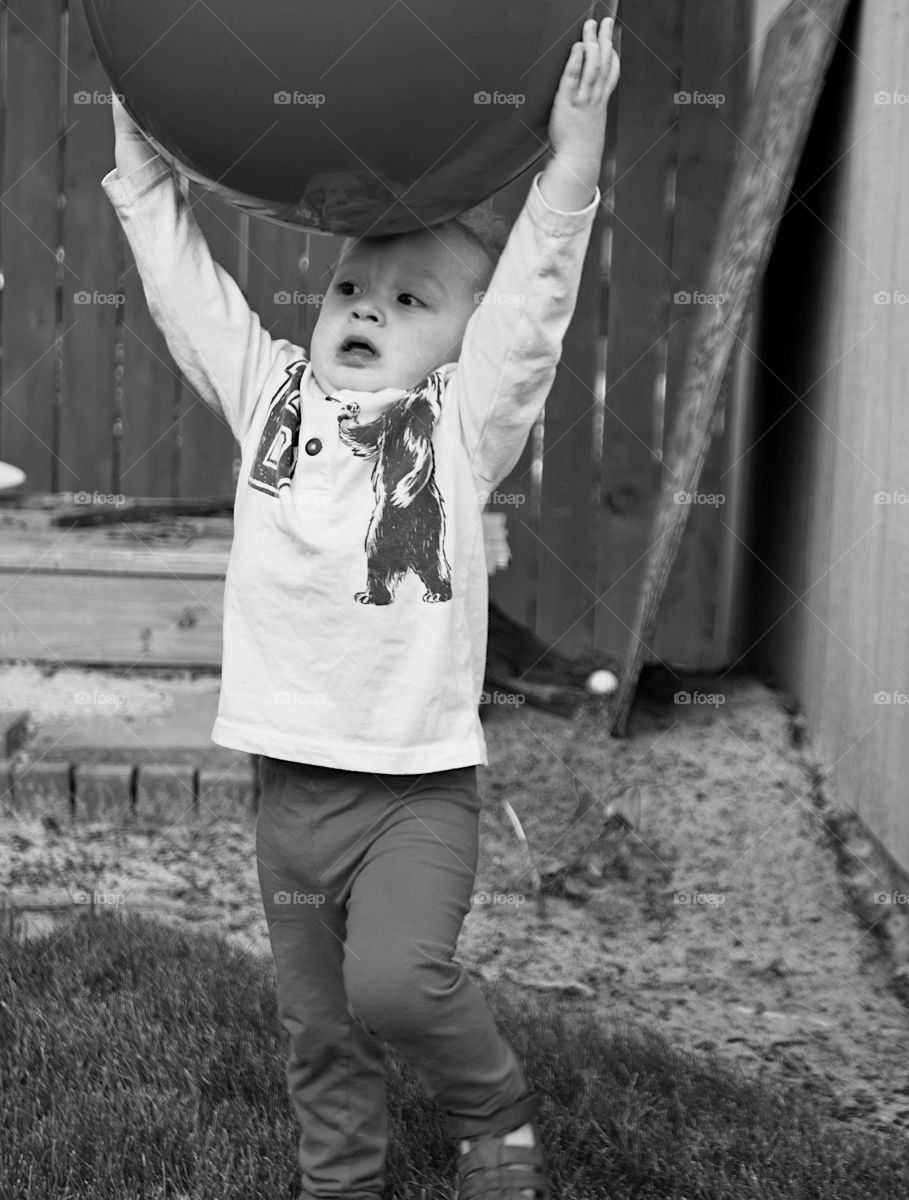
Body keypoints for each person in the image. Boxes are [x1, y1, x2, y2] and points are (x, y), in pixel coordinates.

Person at [103, 16, 619, 1200]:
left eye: (410, 297)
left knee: (396, 984)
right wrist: (140, 174)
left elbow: (530, 312)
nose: (368, 306)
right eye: (353, 285)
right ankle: (341, 1182)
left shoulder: (459, 427)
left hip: (413, 795)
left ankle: (495, 1112)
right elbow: (191, 297)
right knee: (319, 1027)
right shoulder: (273, 395)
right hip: (288, 793)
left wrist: (574, 157)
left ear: (454, 348)